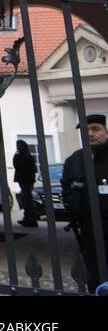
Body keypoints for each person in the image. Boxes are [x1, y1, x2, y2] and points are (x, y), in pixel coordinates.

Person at [61, 113, 108, 291]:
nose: (90, 133)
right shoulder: (75, 160)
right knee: (94, 275)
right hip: (88, 230)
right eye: (85, 130)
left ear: (106, 132)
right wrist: (73, 208)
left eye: (95, 129)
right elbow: (66, 188)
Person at [12, 140, 37, 226]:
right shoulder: (27, 156)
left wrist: (15, 155)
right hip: (26, 181)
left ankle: (30, 220)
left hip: (25, 181)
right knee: (26, 200)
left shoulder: (23, 157)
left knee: (27, 201)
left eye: (18, 146)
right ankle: (28, 218)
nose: (17, 147)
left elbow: (16, 165)